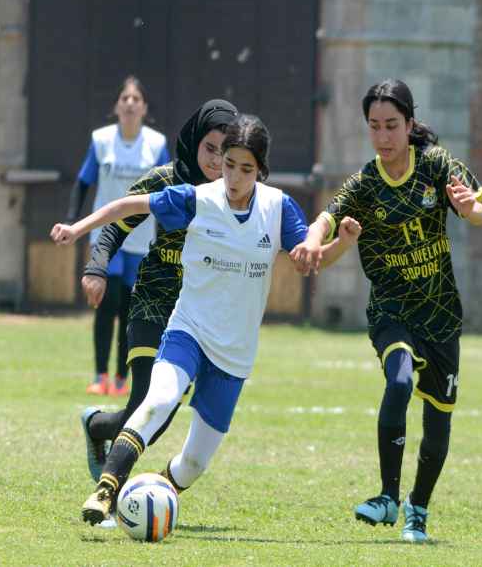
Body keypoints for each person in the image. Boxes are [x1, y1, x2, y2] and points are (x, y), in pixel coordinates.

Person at [53, 114, 360, 525]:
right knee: (158, 400)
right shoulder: (198, 198)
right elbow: (130, 204)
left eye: (245, 169)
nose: (233, 176)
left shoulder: (277, 207)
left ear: (261, 171)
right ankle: (106, 491)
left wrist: (342, 241)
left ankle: (150, 497)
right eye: (229, 163)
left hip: (234, 353)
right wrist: (78, 229)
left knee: (194, 464)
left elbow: (313, 258)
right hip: (189, 330)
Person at [290, 78, 482, 542]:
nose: (383, 137)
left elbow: (480, 211)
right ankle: (387, 497)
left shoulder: (436, 165)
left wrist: (468, 208)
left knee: (438, 419)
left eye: (392, 126)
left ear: (409, 125)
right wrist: (311, 241)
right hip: (391, 310)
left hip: (440, 314)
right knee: (399, 380)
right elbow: (326, 215)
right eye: (374, 127)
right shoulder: (364, 184)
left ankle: (418, 508)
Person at [77, 99, 237, 485]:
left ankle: (97, 426)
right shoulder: (167, 180)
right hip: (152, 300)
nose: (216, 161)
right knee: (146, 404)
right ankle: (112, 493)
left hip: (198, 315)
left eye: (225, 152)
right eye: (209, 149)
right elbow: (116, 224)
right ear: (195, 141)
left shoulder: (238, 193)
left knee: (155, 414)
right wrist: (97, 268)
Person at [67, 75, 170, 396]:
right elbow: (83, 182)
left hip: (140, 239)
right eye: (124, 98)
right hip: (105, 238)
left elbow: (169, 190)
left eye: (135, 99)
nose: (129, 103)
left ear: (145, 108)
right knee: (106, 303)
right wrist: (73, 222)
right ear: (116, 106)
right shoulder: (101, 140)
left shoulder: (156, 144)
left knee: (130, 308)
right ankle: (100, 376)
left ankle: (122, 379)